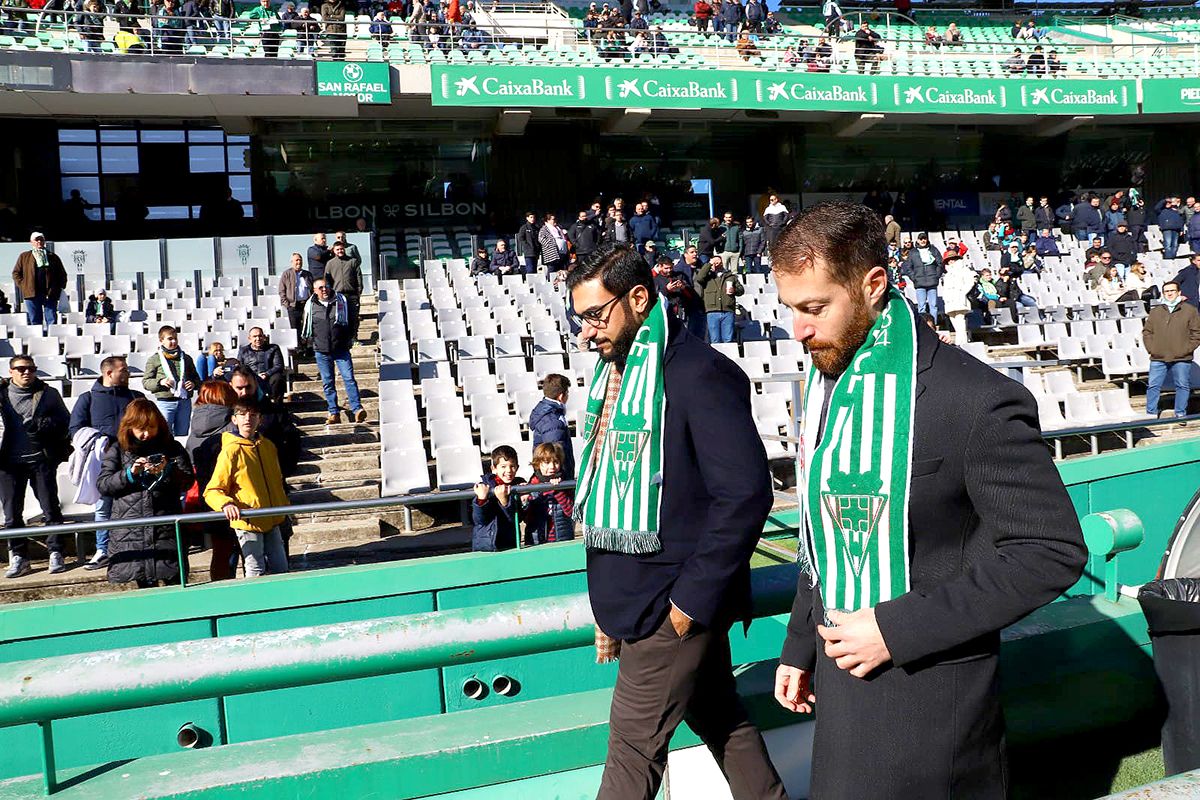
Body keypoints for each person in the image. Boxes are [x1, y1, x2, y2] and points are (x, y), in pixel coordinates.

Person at [770, 201, 1087, 799]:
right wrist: (800, 644)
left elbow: (1050, 551)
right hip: (841, 688)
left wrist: (896, 628)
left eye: (814, 309)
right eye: (791, 310)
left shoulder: (976, 400)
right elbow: (832, 534)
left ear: (873, 286)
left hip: (931, 707)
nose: (799, 331)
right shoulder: (829, 385)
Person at [567, 243, 787, 800]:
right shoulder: (614, 376)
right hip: (641, 599)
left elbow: (744, 493)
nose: (588, 332)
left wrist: (690, 602)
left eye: (596, 315)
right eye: (581, 320)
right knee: (720, 719)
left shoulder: (698, 373)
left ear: (638, 298)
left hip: (671, 604)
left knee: (631, 753)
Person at [95, 399, 194, 589]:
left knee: (176, 591)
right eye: (140, 428)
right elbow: (103, 485)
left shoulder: (172, 448)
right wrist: (129, 474)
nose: (146, 433)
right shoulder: (117, 450)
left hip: (165, 531)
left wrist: (168, 470)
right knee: (141, 597)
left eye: (151, 427)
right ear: (129, 427)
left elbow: (187, 481)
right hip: (130, 535)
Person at [69, 355, 143, 571]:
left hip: (133, 460)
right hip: (103, 464)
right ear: (109, 373)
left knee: (136, 504)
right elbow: (75, 430)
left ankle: (136, 547)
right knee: (103, 507)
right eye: (124, 370)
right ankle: (102, 550)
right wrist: (101, 440)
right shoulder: (88, 398)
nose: (128, 373)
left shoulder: (135, 397)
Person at [1, 356, 70, 579]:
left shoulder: (49, 394)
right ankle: (19, 556)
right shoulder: (1, 395)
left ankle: (56, 551)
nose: (26, 372)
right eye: (21, 369)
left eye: (31, 368)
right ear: (11, 371)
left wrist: (43, 424)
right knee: (12, 514)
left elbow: (65, 422)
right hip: (8, 463)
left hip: (41, 459)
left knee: (50, 508)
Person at [205, 398, 291, 577]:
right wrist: (226, 504)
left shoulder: (268, 446)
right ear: (234, 419)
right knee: (255, 570)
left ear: (260, 419)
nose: (248, 419)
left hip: (273, 519)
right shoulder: (230, 450)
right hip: (248, 520)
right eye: (242, 414)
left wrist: (283, 507)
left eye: (253, 415)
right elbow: (213, 490)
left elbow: (277, 481)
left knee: (282, 569)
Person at [186, 380, 239, 581]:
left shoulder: (194, 428)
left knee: (220, 552)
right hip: (235, 497)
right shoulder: (231, 427)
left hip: (208, 499)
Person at [302, 278, 366, 425]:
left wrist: (348, 338)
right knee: (328, 382)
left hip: (341, 349)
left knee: (349, 379)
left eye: (326, 287)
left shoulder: (341, 301)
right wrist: (314, 343)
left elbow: (351, 321)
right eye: (320, 288)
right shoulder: (310, 306)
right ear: (314, 291)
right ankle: (333, 412)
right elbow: (308, 327)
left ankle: (357, 409)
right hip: (322, 351)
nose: (324, 290)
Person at [1143, 281, 1200, 421]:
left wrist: (1186, 349)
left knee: (1182, 385)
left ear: (1179, 293)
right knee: (1153, 385)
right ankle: (1151, 413)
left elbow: (1196, 333)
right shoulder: (1155, 312)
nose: (1169, 293)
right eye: (1166, 291)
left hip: (1182, 357)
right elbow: (1147, 332)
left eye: (1172, 291)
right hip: (1158, 356)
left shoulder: (1190, 310)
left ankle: (1180, 413)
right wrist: (1152, 349)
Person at [228, 367, 302, 475]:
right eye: (239, 388)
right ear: (231, 386)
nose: (244, 392)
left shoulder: (274, 410)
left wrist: (285, 469)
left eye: (248, 387)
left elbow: (292, 438)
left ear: (256, 384)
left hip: (272, 473)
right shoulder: (225, 411)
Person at [142, 325, 200, 436]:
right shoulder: (154, 359)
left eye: (175, 338)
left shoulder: (186, 358)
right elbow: (146, 382)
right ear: (161, 340)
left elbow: (197, 379)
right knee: (164, 435)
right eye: (170, 339)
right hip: (165, 403)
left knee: (182, 435)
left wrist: (193, 384)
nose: (173, 341)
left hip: (184, 402)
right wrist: (160, 382)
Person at [472, 445, 522, 552]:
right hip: (485, 543)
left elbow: (518, 518)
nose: (509, 470)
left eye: (512, 466)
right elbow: (480, 519)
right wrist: (481, 499)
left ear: (517, 468)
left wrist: (505, 502)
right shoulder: (485, 487)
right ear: (494, 469)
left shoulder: (518, 486)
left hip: (509, 542)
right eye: (503, 466)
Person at [12, 232, 67, 329]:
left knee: (52, 320)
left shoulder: (53, 257)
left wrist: (59, 287)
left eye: (41, 239)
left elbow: (62, 274)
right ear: (31, 242)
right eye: (36, 240)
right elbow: (16, 273)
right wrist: (24, 286)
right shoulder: (24, 256)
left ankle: (51, 341)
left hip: (50, 293)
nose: (39, 242)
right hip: (31, 294)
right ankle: (38, 342)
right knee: (35, 321)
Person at [524, 442, 574, 545]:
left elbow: (571, 512)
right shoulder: (532, 485)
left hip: (562, 539)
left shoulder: (566, 483)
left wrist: (558, 490)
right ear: (538, 464)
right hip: (537, 541)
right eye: (547, 462)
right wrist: (525, 500)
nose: (552, 466)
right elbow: (527, 518)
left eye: (555, 462)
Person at [529, 373, 574, 479]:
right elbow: (554, 454)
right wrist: (559, 477)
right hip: (556, 481)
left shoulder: (551, 414)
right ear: (561, 396)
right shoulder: (552, 420)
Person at [695, 255, 743, 344]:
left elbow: (741, 291)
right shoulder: (707, 276)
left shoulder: (731, 276)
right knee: (714, 340)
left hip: (728, 311)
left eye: (719, 262)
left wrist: (734, 290)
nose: (717, 265)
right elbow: (699, 278)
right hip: (712, 311)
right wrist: (710, 264)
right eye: (715, 262)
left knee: (728, 339)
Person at [326, 240, 364, 343]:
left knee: (353, 318)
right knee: (340, 319)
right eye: (337, 249)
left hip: (352, 295)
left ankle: (353, 338)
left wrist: (359, 291)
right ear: (334, 251)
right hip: (338, 296)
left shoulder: (353, 261)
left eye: (341, 249)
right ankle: (342, 339)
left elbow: (359, 277)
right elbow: (327, 280)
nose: (340, 251)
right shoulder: (330, 264)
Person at [238, 327, 286, 404]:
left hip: (269, 376)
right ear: (249, 338)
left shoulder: (273, 348)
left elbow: (279, 365)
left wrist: (266, 374)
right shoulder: (243, 350)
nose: (258, 338)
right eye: (255, 336)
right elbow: (240, 366)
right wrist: (253, 376)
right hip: (251, 377)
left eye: (260, 336)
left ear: (264, 337)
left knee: (278, 378)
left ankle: (277, 405)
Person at [901, 232, 943, 317]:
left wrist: (937, 275)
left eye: (924, 238)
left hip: (932, 281)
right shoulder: (913, 252)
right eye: (921, 239)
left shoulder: (933, 250)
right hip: (919, 282)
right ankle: (924, 327)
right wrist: (914, 278)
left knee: (933, 306)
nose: (923, 241)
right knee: (921, 307)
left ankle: (933, 326)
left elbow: (940, 263)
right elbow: (908, 267)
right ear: (917, 240)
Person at [278, 252, 313, 348]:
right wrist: (287, 304)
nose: (299, 262)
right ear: (292, 262)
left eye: (300, 260)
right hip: (293, 306)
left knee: (307, 326)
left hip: (306, 304)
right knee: (295, 328)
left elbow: (312, 289)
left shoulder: (307, 274)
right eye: (296, 260)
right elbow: (281, 290)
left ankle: (308, 348)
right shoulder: (286, 274)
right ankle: (299, 349)